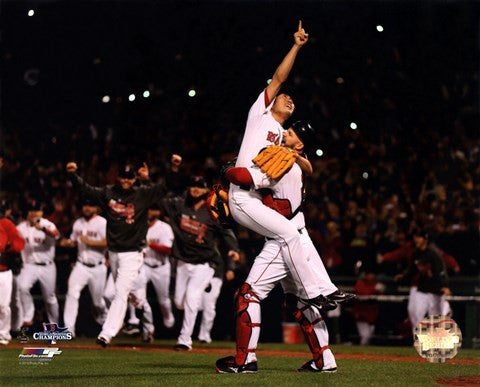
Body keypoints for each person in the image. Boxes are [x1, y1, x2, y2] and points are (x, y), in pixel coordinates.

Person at [227, 21, 347, 308]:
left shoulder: (284, 138)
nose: (289, 98)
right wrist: (296, 46)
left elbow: (305, 168)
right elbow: (279, 78)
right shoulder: (261, 114)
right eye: (285, 96)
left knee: (293, 234)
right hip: (243, 197)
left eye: (292, 98)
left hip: (256, 197)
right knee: (290, 234)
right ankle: (314, 292)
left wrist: (299, 157)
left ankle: (316, 291)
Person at [216, 122, 341, 373]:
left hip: (284, 240)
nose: (284, 133)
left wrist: (226, 172)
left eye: (291, 133)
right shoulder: (294, 160)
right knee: (300, 302)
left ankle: (245, 360)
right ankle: (324, 359)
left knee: (247, 296)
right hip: (296, 235)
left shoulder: (284, 162)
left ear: (300, 144)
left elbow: (242, 177)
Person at [66, 161, 167, 347]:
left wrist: (168, 170)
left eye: (130, 177)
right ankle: (145, 314)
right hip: (113, 253)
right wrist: (73, 175)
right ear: (118, 177)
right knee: (128, 295)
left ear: (134, 178)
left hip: (132, 254)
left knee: (120, 292)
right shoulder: (108, 193)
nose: (126, 180)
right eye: (123, 176)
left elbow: (164, 188)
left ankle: (106, 334)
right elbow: (86, 191)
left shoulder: (142, 194)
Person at [160, 176, 240, 351]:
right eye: (192, 185)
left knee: (191, 298)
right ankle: (189, 327)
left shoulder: (212, 211)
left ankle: (184, 340)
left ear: (206, 190)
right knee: (179, 302)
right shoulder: (180, 205)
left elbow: (227, 232)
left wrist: (233, 249)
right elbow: (159, 196)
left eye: (199, 186)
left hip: (205, 264)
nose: (195, 189)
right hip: (183, 262)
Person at [125, 204, 176, 342]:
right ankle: (143, 327)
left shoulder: (164, 228)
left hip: (161, 267)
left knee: (163, 300)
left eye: (153, 209)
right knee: (136, 293)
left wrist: (151, 245)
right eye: (148, 209)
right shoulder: (140, 225)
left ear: (158, 212)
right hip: (145, 266)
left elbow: (169, 250)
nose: (150, 212)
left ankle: (168, 316)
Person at [60, 201, 108, 337]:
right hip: (81, 265)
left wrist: (90, 242)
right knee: (72, 294)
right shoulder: (78, 223)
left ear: (97, 208)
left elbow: (109, 241)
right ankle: (69, 330)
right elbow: (74, 240)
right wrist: (68, 243)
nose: (87, 208)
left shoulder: (102, 222)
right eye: (85, 205)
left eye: (90, 205)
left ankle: (106, 320)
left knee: (98, 302)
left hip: (98, 266)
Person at [395, 228, 451, 330]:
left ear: (425, 239)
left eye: (419, 237)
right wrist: (403, 277)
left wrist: (445, 286)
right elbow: (412, 269)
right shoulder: (416, 254)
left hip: (435, 291)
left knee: (435, 321)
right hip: (423, 289)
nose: (416, 239)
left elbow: (441, 271)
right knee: (416, 314)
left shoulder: (433, 254)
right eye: (415, 237)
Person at [16, 200, 60, 326]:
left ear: (41, 212)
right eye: (31, 210)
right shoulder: (21, 227)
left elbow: (56, 235)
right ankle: (28, 316)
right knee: (23, 287)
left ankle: (54, 327)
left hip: (47, 266)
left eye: (37, 210)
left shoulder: (48, 224)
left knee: (50, 298)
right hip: (29, 265)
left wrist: (44, 229)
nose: (34, 213)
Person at [198, 246, 237, 344]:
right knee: (192, 304)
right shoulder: (197, 240)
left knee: (209, 305)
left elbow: (230, 252)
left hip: (215, 276)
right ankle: (188, 334)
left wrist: (230, 268)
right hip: (198, 274)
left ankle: (204, 335)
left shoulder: (222, 242)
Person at [0, 205, 25, 345]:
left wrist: (9, 248)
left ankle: (3, 334)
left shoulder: (5, 223)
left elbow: (19, 243)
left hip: (3, 270)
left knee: (3, 306)